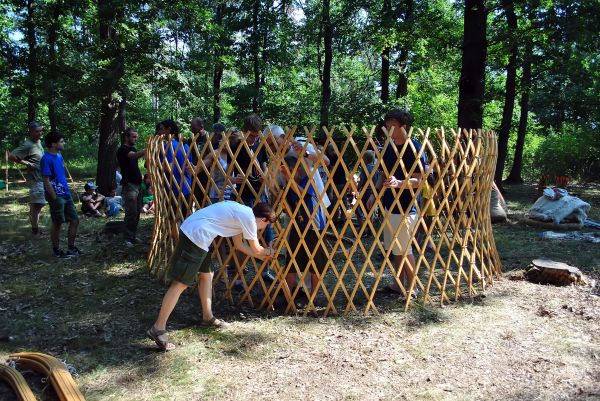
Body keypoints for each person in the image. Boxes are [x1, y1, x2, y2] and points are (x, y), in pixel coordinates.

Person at [146, 201, 277, 351]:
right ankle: (158, 328)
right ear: (263, 219)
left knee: (207, 274)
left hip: (197, 233)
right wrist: (267, 252)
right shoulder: (248, 218)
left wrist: (263, 255)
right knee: (180, 283)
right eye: (266, 225)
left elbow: (239, 245)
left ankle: (207, 317)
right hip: (196, 235)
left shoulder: (243, 213)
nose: (263, 228)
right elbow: (256, 248)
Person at [366, 109, 425, 299]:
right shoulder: (389, 147)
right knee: (394, 248)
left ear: (404, 126)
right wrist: (374, 194)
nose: (388, 129)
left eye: (392, 126)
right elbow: (383, 173)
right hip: (389, 205)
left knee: (404, 248)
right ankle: (398, 284)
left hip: (406, 207)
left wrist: (400, 183)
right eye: (387, 125)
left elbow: (419, 180)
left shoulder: (413, 148)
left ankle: (413, 288)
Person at [229, 114, 276, 284]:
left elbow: (263, 164)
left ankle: (266, 271)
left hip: (259, 193)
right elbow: (228, 172)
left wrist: (266, 178)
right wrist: (233, 180)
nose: (254, 138)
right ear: (244, 131)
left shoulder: (260, 145)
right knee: (242, 235)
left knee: (267, 232)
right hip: (243, 195)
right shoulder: (235, 146)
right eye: (252, 135)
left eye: (257, 135)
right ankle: (238, 278)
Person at [280, 154, 327, 303]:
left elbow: (302, 194)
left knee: (315, 263)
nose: (288, 173)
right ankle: (288, 298)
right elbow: (287, 209)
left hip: (314, 228)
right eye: (285, 170)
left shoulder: (309, 180)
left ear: (298, 169)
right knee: (292, 262)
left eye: (290, 169)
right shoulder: (288, 184)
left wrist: (289, 179)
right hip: (297, 226)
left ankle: (313, 297)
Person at [40, 131, 80, 258]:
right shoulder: (46, 158)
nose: (64, 143)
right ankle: (56, 251)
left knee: (75, 220)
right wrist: (53, 196)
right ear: (53, 144)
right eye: (61, 141)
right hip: (56, 196)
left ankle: (71, 247)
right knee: (58, 223)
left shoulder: (59, 156)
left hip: (66, 194)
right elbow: (46, 179)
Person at [8, 121, 47, 235]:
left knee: (39, 204)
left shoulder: (38, 142)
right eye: (37, 131)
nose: (40, 133)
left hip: (41, 178)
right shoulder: (28, 144)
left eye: (41, 130)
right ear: (30, 132)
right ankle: (35, 230)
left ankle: (36, 228)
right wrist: (29, 164)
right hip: (36, 179)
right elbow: (11, 156)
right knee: (37, 204)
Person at [158, 119, 193, 240]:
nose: (159, 132)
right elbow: (190, 167)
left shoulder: (167, 147)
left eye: (162, 129)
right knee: (185, 217)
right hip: (187, 186)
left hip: (174, 187)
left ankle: (176, 243)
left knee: (174, 218)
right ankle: (185, 241)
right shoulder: (186, 146)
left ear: (169, 130)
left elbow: (167, 167)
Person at [117, 127, 145, 246]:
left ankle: (132, 236)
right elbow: (133, 156)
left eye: (136, 137)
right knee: (131, 212)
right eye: (133, 136)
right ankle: (127, 238)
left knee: (137, 211)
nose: (136, 139)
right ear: (126, 137)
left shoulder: (132, 148)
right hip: (130, 185)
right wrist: (147, 149)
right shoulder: (123, 149)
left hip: (138, 185)